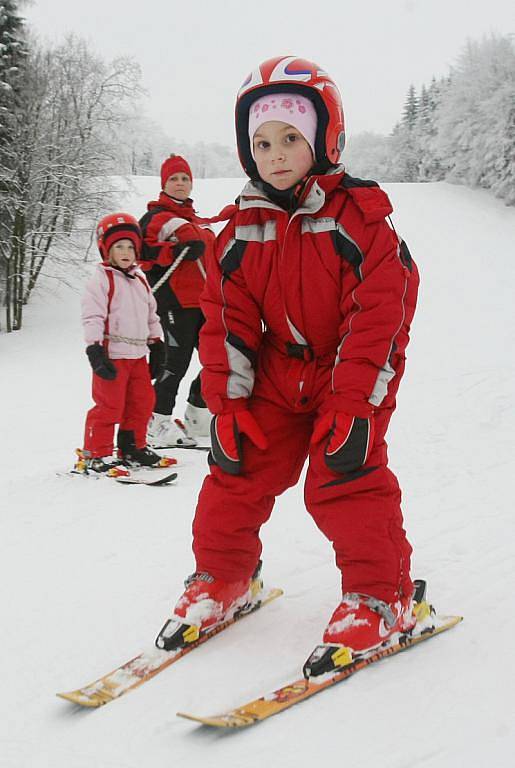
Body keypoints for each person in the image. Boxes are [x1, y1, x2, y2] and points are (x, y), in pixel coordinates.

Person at [157, 56, 421, 669]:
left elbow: (381, 317)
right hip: (278, 375)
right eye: (262, 142)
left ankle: (382, 596)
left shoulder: (362, 222)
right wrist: (226, 405)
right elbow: (227, 320)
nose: (276, 153)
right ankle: (225, 577)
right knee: (237, 470)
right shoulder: (242, 230)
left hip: (346, 373)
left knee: (343, 478)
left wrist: (354, 404)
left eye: (291, 138)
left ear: (325, 140)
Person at [76, 213, 168, 473]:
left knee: (142, 402)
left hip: (138, 355)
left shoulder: (140, 279)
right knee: (109, 406)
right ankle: (95, 454)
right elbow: (93, 316)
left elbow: (152, 313)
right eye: (119, 246)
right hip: (112, 354)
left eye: (130, 246)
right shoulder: (101, 280)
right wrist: (94, 349)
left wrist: (156, 344)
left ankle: (132, 447)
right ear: (107, 250)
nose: (126, 252)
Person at [139, 154, 216, 448]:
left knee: (218, 359)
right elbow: (140, 253)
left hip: (204, 302)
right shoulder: (156, 218)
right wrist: (173, 252)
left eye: (185, 178)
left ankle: (198, 414)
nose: (180, 183)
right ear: (164, 184)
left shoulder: (194, 220)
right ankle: (156, 422)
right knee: (176, 363)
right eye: (174, 178)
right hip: (174, 302)